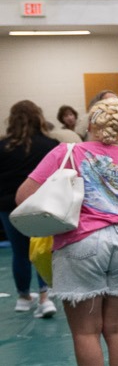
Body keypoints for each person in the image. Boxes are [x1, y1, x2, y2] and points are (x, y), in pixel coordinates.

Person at [15, 97, 118, 366]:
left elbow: (22, 197)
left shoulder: (66, 153)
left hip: (81, 242)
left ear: (90, 123)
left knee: (86, 333)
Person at [1, 101, 58, 316]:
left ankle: (23, 297)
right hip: (41, 205)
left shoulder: (3, 147)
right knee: (41, 248)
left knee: (19, 253)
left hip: (9, 207)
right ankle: (45, 297)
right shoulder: (50, 145)